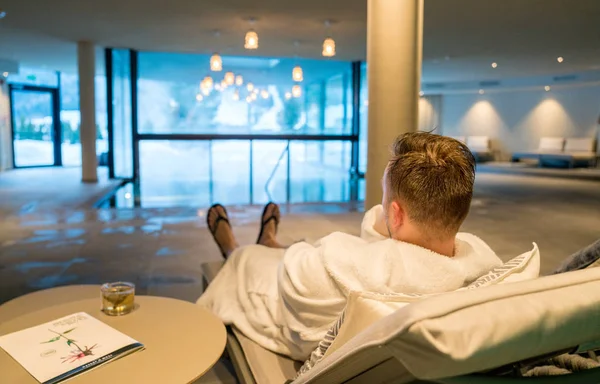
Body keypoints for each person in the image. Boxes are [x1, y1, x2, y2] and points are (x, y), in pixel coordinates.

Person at [197, 132, 502, 361]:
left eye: (384, 198)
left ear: (395, 213)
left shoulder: (341, 262)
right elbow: (382, 239)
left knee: (251, 258)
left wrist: (296, 252)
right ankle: (271, 241)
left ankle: (233, 247)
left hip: (286, 302)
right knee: (293, 248)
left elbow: (295, 272)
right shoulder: (482, 266)